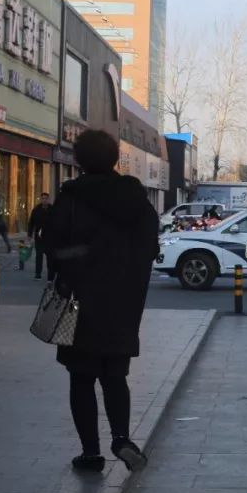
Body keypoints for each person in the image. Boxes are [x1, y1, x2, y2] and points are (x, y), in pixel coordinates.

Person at [43, 130, 159, 473]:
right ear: (115, 160)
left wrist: (72, 270)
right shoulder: (137, 200)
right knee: (114, 376)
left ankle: (91, 452)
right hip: (123, 305)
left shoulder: (72, 196)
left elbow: (52, 245)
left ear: (78, 160)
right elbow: (150, 248)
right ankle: (121, 438)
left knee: (80, 378)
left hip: (79, 305)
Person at [27, 192, 54, 280]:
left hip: (50, 237)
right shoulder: (36, 210)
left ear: (48, 199)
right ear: (41, 199)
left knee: (50, 257)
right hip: (39, 237)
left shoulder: (52, 209)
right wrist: (29, 234)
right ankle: (38, 274)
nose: (44, 200)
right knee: (39, 255)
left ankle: (51, 275)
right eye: (43, 198)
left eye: (46, 198)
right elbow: (31, 223)